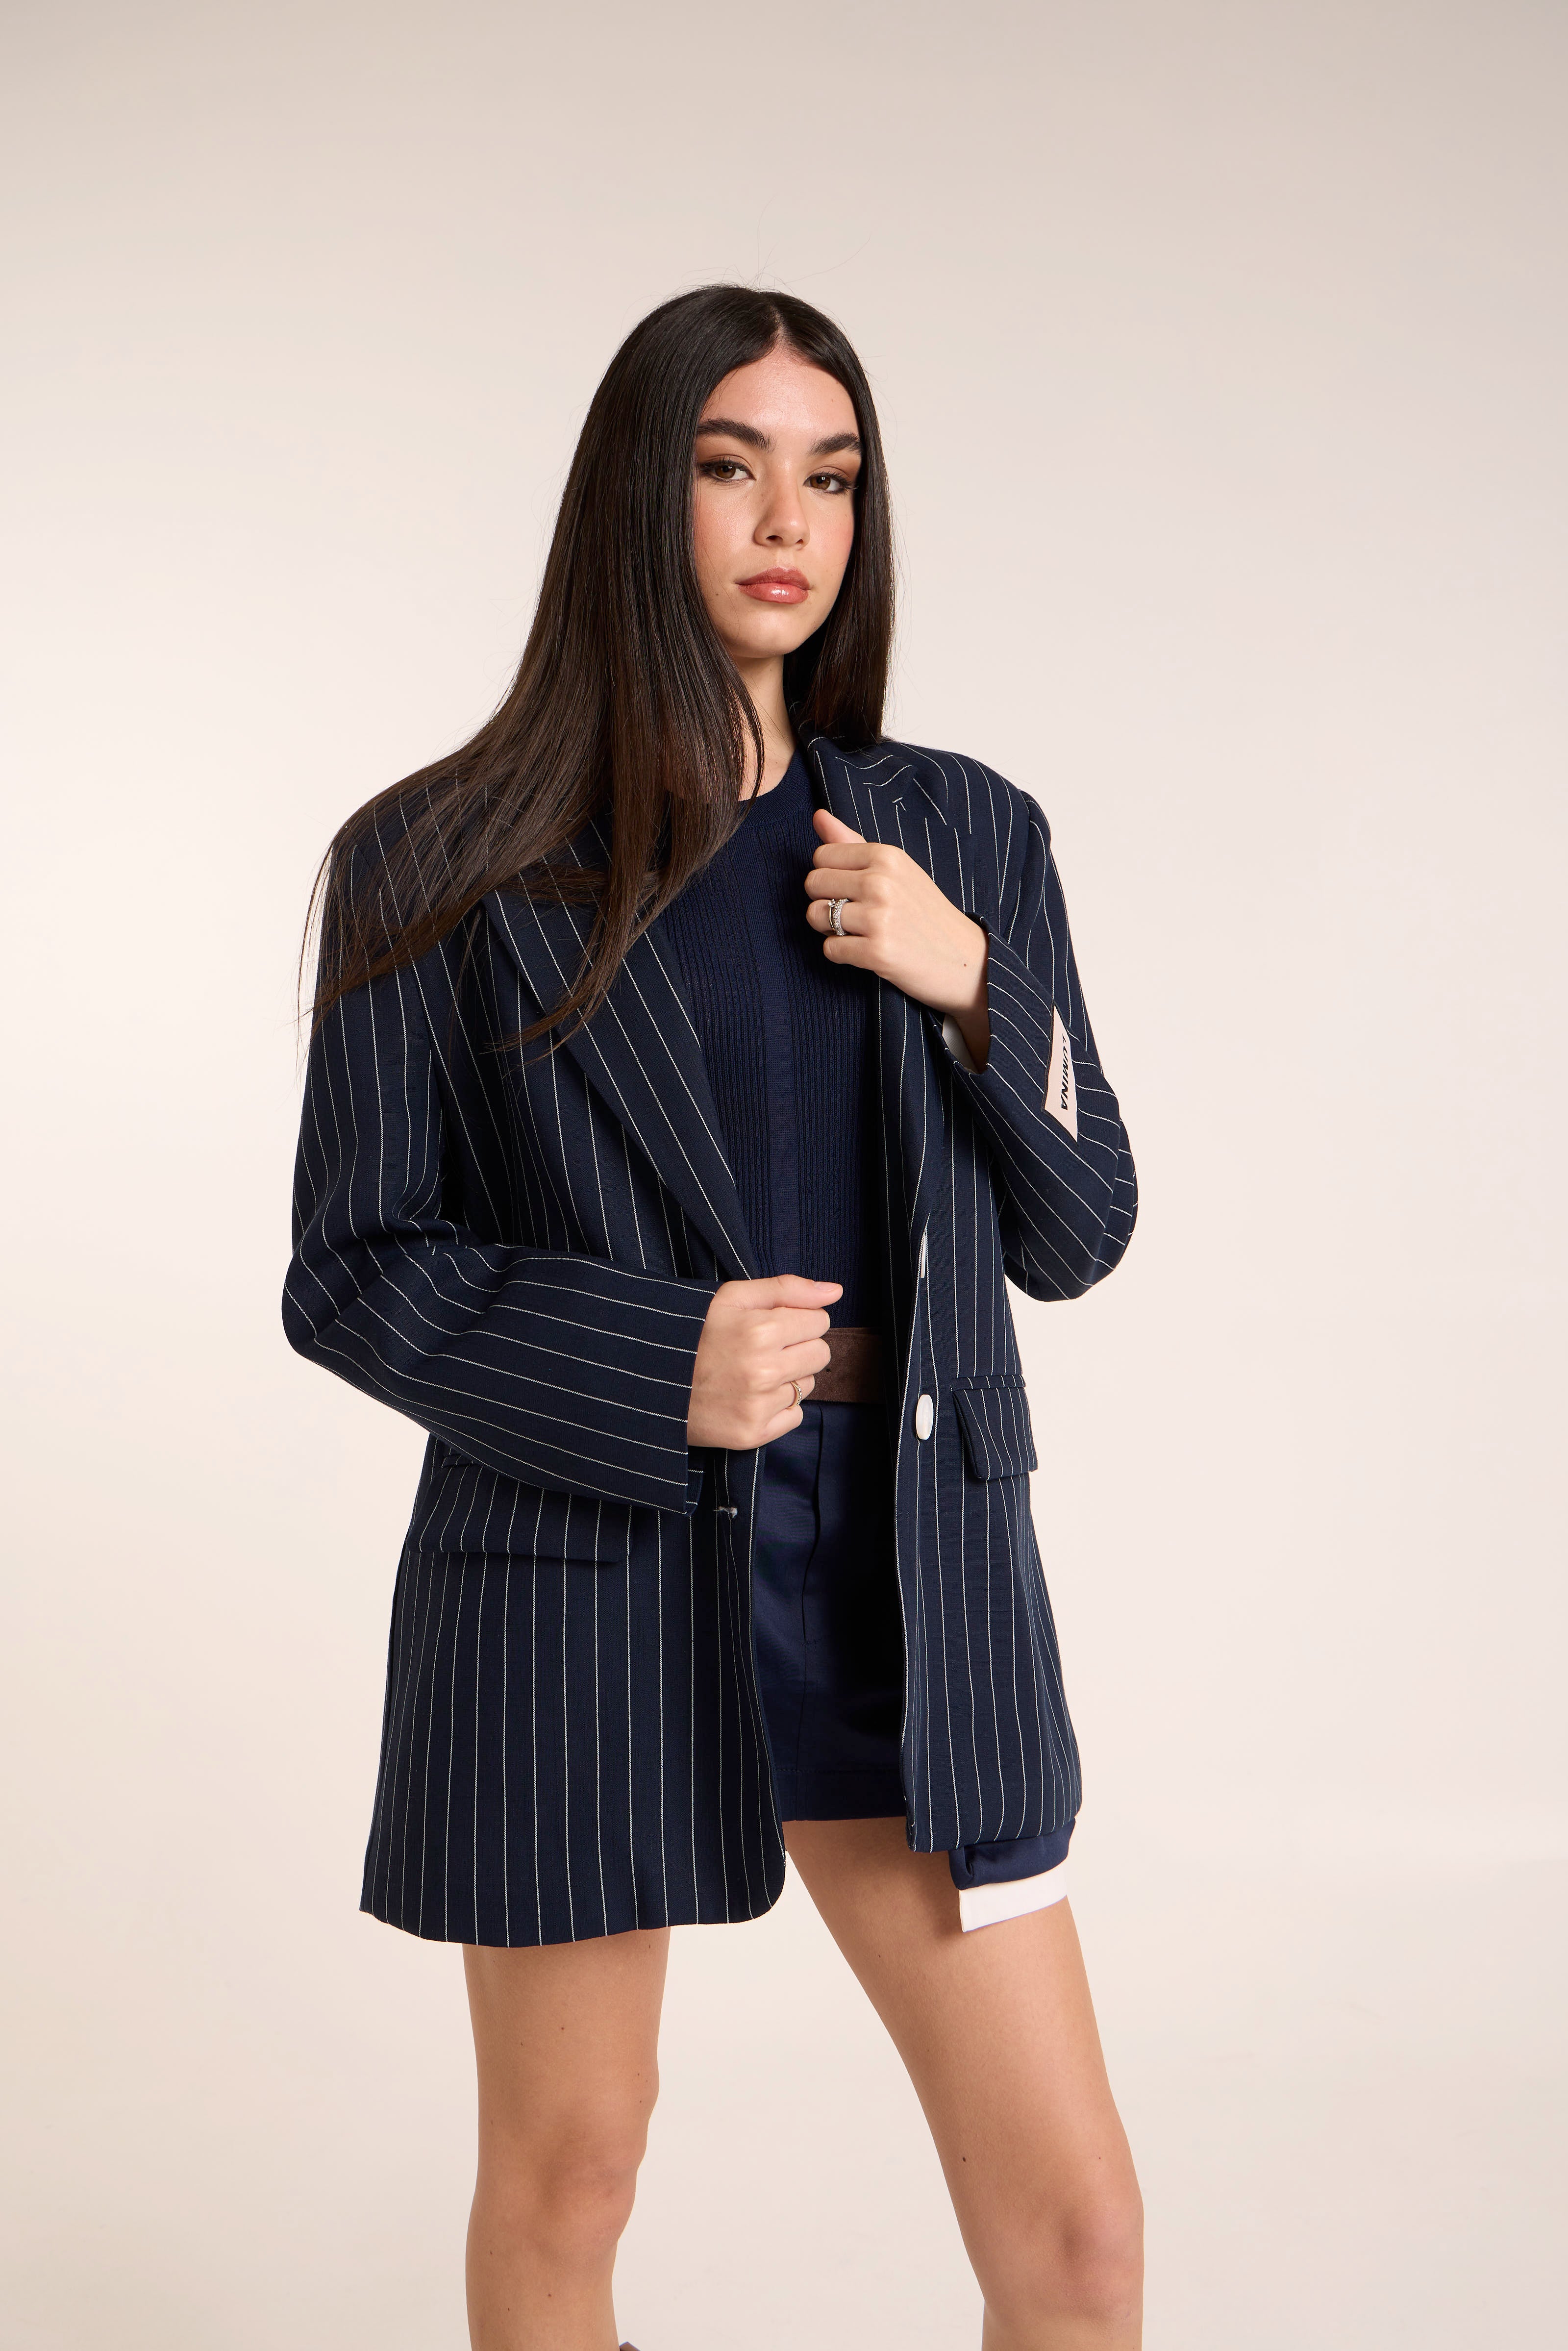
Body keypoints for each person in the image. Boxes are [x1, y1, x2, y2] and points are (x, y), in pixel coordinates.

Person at [285, 284, 1143, 2351]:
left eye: (830, 477)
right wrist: (649, 1363)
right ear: (635, 493)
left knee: (1077, 2238)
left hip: (907, 1571)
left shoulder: (965, 835)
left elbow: (1082, 1223)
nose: (788, 522)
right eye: (731, 465)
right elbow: (351, 1263)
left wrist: (973, 982)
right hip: (577, 1562)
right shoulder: (438, 858)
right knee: (571, 2177)